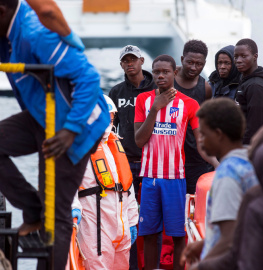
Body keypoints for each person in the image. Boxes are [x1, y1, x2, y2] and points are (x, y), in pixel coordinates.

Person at [0, 1, 110, 269]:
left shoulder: (35, 33)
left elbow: (89, 78)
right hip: (44, 116)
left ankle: (41, 216)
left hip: (76, 125)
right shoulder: (7, 33)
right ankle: (31, 208)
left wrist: (70, 130)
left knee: (55, 215)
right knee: (43, 211)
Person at [134, 55, 218, 270]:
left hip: (175, 179)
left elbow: (201, 143)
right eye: (156, 72)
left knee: (178, 234)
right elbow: (139, 140)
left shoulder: (189, 104)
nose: (160, 76)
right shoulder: (143, 100)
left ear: (175, 73)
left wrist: (219, 164)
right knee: (150, 234)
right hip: (150, 179)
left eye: (165, 72)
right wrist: (155, 108)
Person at [180, 98, 258, 270]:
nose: (199, 140)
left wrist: (202, 266)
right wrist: (204, 244)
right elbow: (241, 228)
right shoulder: (248, 162)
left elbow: (229, 240)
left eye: (203, 134)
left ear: (219, 134)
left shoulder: (226, 175)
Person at [72, 95, 138, 270]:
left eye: (110, 119)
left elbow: (127, 186)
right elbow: (66, 183)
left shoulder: (114, 143)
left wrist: (132, 220)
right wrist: (73, 208)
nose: (107, 124)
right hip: (94, 224)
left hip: (121, 226)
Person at [109, 44, 157, 270]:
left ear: (142, 61)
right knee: (126, 215)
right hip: (125, 162)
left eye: (133, 59)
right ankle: (129, 263)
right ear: (121, 64)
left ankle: (151, 263)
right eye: (125, 60)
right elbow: (110, 130)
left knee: (149, 214)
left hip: (151, 161)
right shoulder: (116, 92)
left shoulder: (157, 89)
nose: (130, 63)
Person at [174, 39, 212, 194]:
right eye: (189, 62)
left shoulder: (205, 88)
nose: (193, 67)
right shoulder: (167, 80)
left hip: (196, 158)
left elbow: (204, 123)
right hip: (172, 157)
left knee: (194, 203)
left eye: (199, 64)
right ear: (182, 59)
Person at [234, 38, 263, 144]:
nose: (238, 60)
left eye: (244, 56)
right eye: (236, 57)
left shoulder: (255, 85)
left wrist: (246, 150)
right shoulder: (246, 80)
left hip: (249, 148)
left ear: (255, 57)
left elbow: (255, 125)